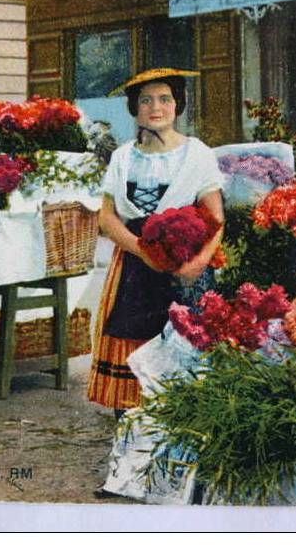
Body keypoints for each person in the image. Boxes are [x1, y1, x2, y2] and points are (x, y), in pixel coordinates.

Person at [87, 68, 225, 418]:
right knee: (133, 341)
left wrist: (197, 265)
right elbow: (107, 217)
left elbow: (216, 219)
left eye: (165, 99)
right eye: (146, 100)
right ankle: (133, 436)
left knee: (186, 346)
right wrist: (142, 251)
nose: (156, 107)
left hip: (185, 270)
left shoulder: (197, 154)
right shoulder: (123, 158)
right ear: (135, 108)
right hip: (134, 267)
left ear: (178, 105)